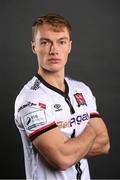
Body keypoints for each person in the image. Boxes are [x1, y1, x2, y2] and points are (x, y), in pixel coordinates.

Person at [14, 13, 110, 180]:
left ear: (70, 46)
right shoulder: (30, 99)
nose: (54, 50)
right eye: (45, 42)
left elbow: (104, 144)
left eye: (61, 42)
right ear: (34, 47)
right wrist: (91, 131)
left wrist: (69, 147)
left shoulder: (82, 90)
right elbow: (61, 159)